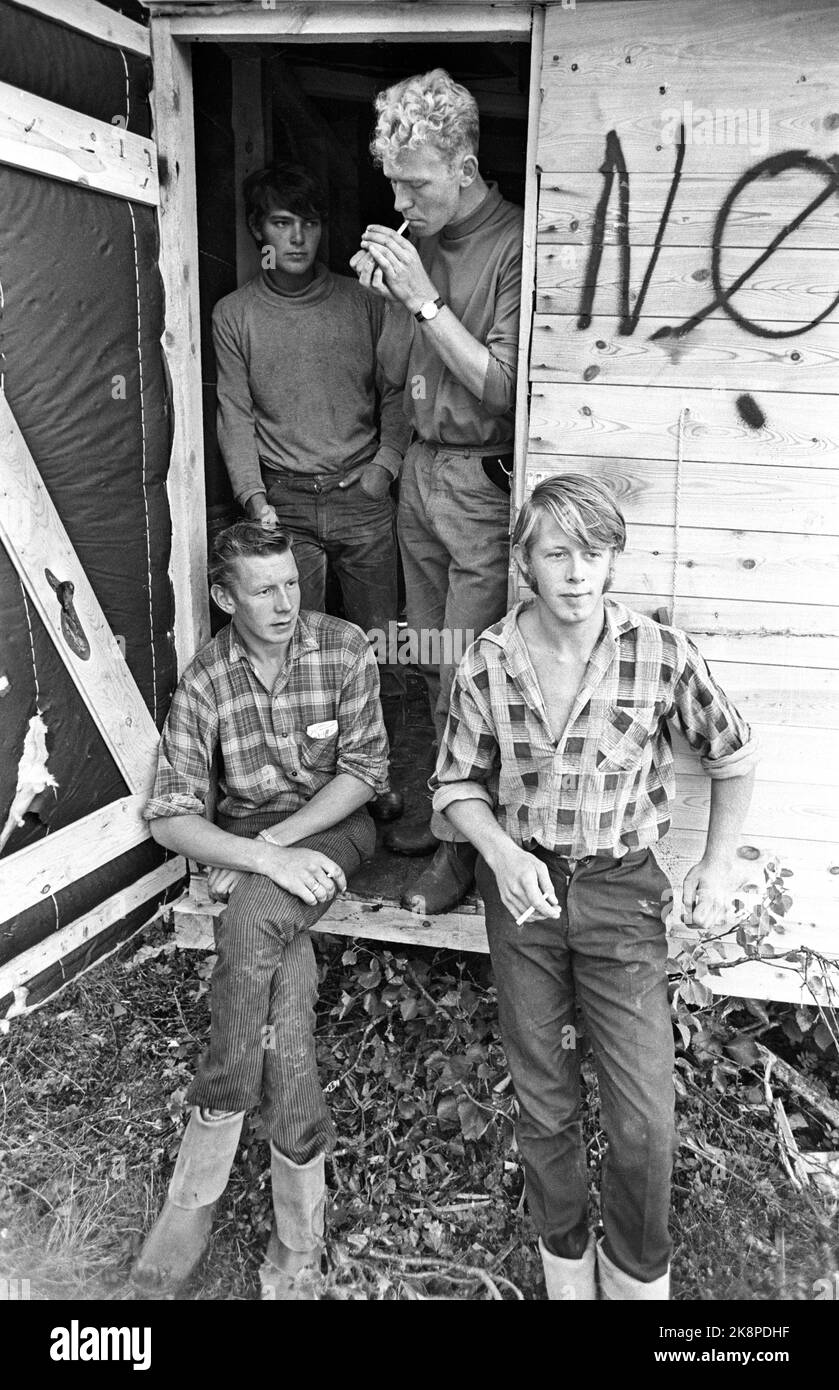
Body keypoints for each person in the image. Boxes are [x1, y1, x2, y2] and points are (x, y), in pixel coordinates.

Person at [429, 474, 758, 1300]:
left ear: (613, 560)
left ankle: (637, 1279)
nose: (576, 572)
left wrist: (714, 866)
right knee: (543, 1106)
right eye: (557, 553)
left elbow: (733, 755)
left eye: (593, 553)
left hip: (622, 896)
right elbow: (453, 785)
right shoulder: (488, 660)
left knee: (644, 1118)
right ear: (525, 563)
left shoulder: (657, 653)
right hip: (524, 896)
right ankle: (566, 1274)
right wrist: (501, 855)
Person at [130, 521, 388, 1300]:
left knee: (246, 922)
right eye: (264, 589)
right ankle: (297, 1236)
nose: (285, 603)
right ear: (223, 596)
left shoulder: (342, 646)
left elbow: (365, 772)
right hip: (259, 849)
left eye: (290, 585)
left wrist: (276, 844)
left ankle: (194, 1191)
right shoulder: (208, 676)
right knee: (289, 990)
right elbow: (170, 814)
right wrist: (264, 857)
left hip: (335, 828)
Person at [350, 68, 523, 913]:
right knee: (423, 662)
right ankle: (434, 812)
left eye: (414, 180)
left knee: (464, 671)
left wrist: (422, 302)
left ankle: (461, 852)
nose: (401, 196)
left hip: (479, 481)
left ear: (464, 163)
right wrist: (389, 301)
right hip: (417, 470)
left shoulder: (517, 242)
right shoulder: (414, 242)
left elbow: (504, 389)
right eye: (392, 181)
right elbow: (390, 373)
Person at [213, 162, 409, 820]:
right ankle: (311, 793)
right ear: (257, 229)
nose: (297, 238)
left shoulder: (363, 302)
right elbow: (233, 414)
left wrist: (383, 467)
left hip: (362, 498)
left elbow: (396, 394)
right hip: (285, 508)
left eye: (310, 223)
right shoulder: (234, 314)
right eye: (281, 222)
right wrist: (253, 498)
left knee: (380, 648)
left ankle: (378, 781)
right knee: (295, 653)